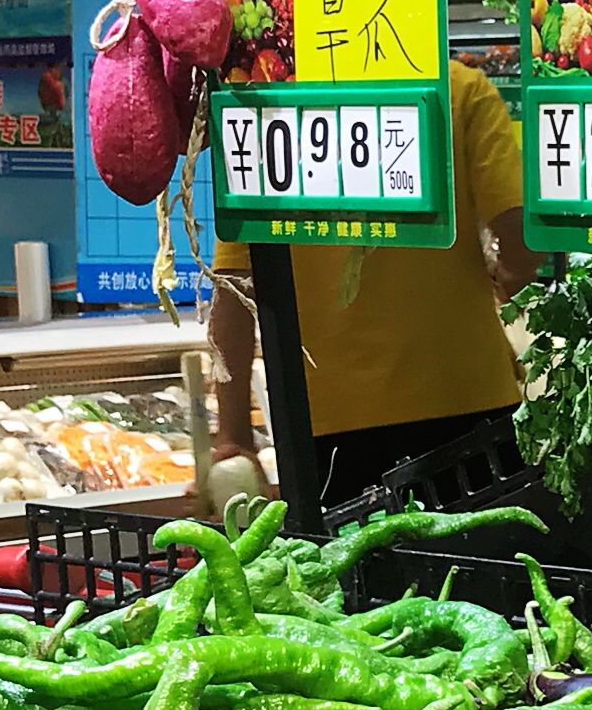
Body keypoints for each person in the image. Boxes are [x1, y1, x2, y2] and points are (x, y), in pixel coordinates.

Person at [209, 57, 542, 507]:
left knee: (350, 574)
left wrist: (233, 436)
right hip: (467, 410)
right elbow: (522, 237)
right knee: (481, 567)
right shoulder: (460, 88)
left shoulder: (266, 106)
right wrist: (507, 274)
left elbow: (232, 285)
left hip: (325, 431)